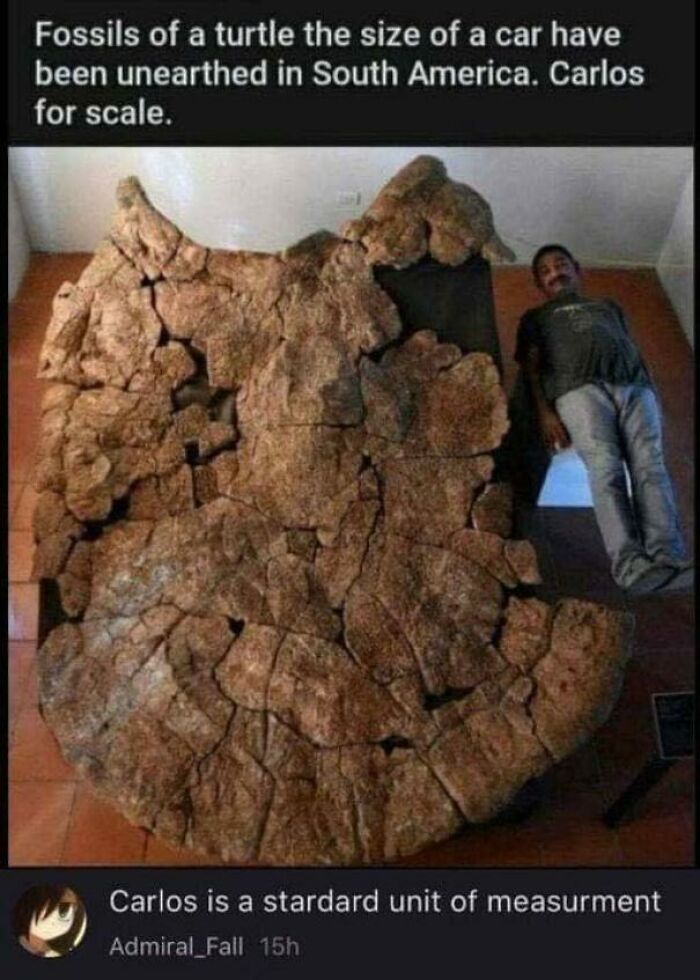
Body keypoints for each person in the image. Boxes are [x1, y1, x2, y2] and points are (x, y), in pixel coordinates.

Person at [515, 243, 692, 594]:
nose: (555, 273)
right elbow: (531, 368)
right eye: (546, 271)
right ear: (539, 284)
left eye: (561, 264)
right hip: (577, 391)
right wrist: (545, 413)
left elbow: (630, 347)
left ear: (577, 268)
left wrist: (651, 392)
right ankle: (631, 567)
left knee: (651, 467)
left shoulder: (608, 307)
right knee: (606, 469)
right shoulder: (535, 318)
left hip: (634, 387)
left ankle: (668, 558)